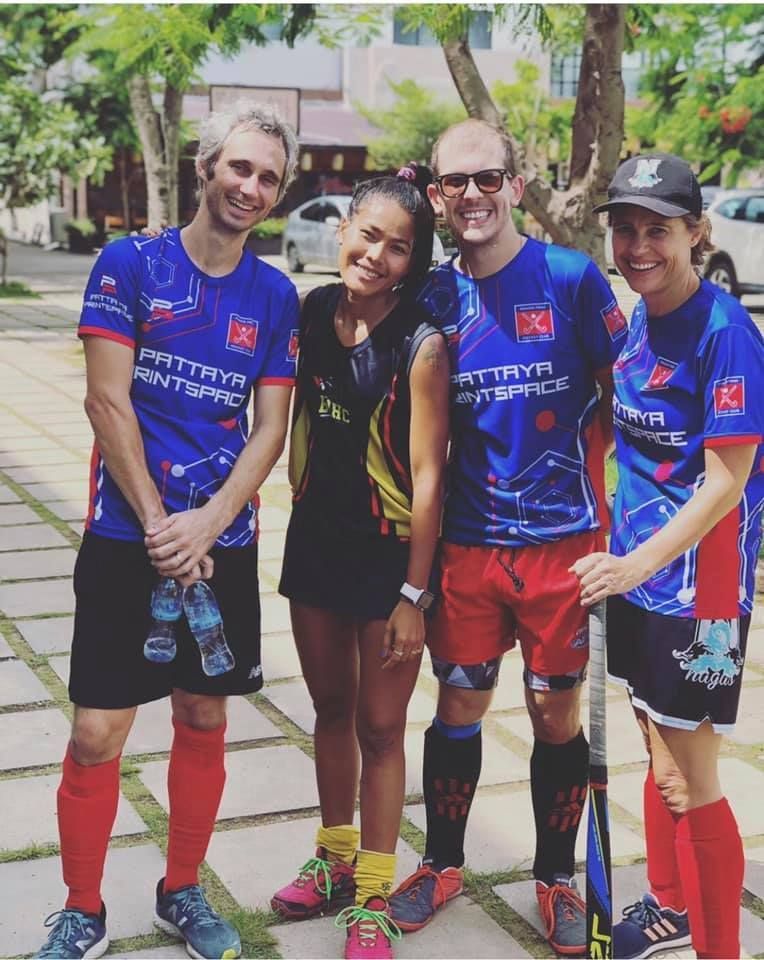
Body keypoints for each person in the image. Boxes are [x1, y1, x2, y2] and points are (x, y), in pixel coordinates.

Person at [33, 101, 300, 960]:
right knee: (94, 732)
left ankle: (181, 893)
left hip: (219, 545)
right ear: (205, 166)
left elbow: (270, 429)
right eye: (239, 167)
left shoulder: (275, 295)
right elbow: (106, 401)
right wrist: (159, 525)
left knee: (205, 719)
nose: (250, 187)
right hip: (126, 537)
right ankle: (81, 909)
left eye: (267, 176)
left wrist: (211, 526)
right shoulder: (129, 264)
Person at [387, 119, 629, 957]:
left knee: (554, 714)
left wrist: (627, 526)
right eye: (456, 184)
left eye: (488, 180)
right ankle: (442, 864)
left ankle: (558, 876)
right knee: (458, 705)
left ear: (515, 186)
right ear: (438, 197)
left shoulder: (571, 278)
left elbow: (626, 399)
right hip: (468, 548)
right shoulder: (434, 297)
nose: (473, 197)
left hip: (566, 548)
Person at [571, 153, 764, 960]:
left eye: (658, 229)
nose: (638, 245)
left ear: (697, 234)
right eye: (625, 228)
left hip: (700, 593)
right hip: (642, 575)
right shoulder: (638, 320)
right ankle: (668, 906)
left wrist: (633, 564)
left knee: (692, 777)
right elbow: (630, 444)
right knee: (656, 746)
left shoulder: (727, 334)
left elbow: (727, 481)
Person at [269, 165, 450, 960]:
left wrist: (415, 591)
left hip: (388, 564)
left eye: (398, 247)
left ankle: (373, 894)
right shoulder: (309, 313)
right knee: (331, 708)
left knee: (381, 727)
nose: (377, 255)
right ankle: (335, 856)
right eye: (368, 235)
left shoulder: (421, 344)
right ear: (342, 231)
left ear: (414, 262)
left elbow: (431, 475)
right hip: (314, 545)